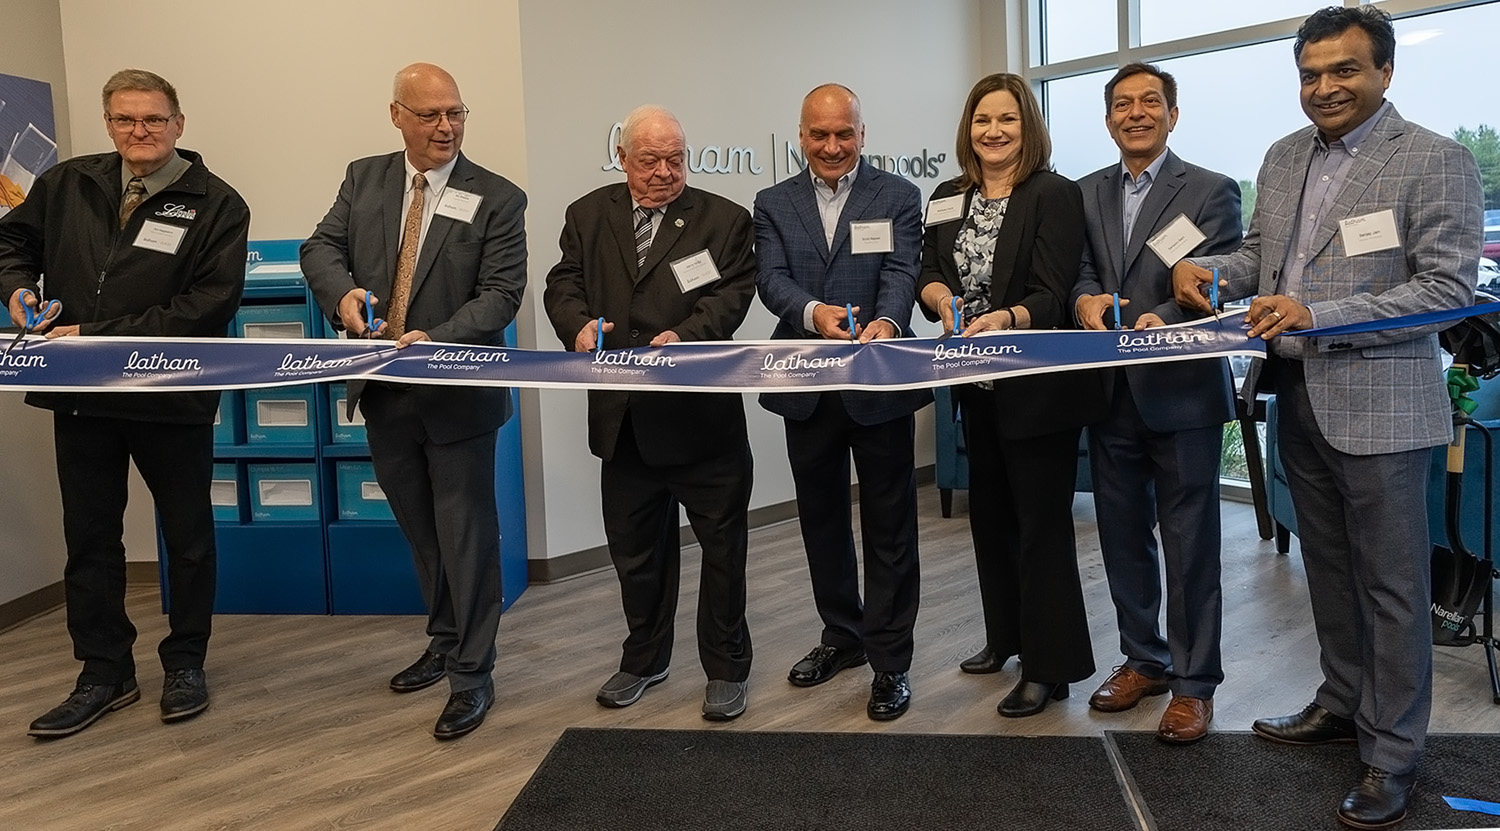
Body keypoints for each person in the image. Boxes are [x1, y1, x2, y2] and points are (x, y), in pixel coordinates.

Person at [1172, 7, 1480, 827]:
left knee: (1394, 588)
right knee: (1331, 572)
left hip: (1383, 405)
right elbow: (1266, 256)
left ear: (1383, 71)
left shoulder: (1434, 159)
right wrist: (1209, 269)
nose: (1324, 87)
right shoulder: (1281, 158)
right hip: (1299, 399)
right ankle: (1342, 702)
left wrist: (1319, 311)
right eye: (1310, 74)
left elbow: (1448, 289)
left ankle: (1391, 753)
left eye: (1343, 70)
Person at [0, 69, 249, 737]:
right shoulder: (67, 183)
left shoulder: (217, 203)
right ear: (109, 123)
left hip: (172, 393)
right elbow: (11, 243)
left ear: (179, 123)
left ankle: (185, 663)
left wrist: (99, 334)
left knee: (188, 539)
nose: (140, 132)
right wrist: (18, 290)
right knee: (89, 539)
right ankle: (103, 671)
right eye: (125, 120)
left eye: (154, 119)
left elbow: (207, 306)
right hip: (82, 394)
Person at [301, 62, 527, 740]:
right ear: (396, 115)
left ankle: (472, 674)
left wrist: (439, 338)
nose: (446, 126)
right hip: (385, 392)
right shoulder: (364, 177)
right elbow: (320, 247)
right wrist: (341, 296)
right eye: (430, 114)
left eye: (456, 113)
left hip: (456, 395)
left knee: (467, 537)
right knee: (423, 534)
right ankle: (444, 638)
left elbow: (501, 293)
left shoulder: (498, 196)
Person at [542, 106, 757, 721]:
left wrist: (686, 337)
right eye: (650, 160)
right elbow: (564, 283)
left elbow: (732, 294)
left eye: (676, 159)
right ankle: (644, 658)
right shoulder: (588, 215)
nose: (665, 172)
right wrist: (576, 325)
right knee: (635, 555)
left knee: (723, 555)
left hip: (701, 425)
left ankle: (726, 669)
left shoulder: (724, 219)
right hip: (624, 423)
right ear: (624, 157)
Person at [916, 73, 1104, 718]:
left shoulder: (1053, 194)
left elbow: (1055, 292)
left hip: (1036, 390)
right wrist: (938, 298)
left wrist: (1009, 318)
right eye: (981, 120)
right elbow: (930, 272)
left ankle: (1052, 668)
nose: (992, 132)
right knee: (990, 518)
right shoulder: (947, 196)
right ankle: (1006, 638)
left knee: (1041, 529)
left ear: (1028, 127)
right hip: (978, 387)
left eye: (1007, 120)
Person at [1070, 63, 1242, 743]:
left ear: (1173, 114)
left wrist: (1168, 313)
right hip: (1108, 393)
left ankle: (1195, 684)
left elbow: (1223, 269)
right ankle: (1145, 658)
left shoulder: (1209, 189)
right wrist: (1083, 298)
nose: (1134, 113)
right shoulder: (1083, 193)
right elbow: (1079, 268)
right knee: (1121, 536)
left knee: (1190, 541)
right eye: (1121, 104)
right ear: (1108, 118)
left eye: (1149, 102)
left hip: (1182, 395)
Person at [754, 84, 929, 721]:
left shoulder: (899, 196)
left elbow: (903, 271)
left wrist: (886, 323)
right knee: (821, 521)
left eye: (844, 134)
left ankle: (891, 662)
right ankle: (842, 635)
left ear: (863, 133)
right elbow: (771, 279)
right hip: (806, 384)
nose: (833, 147)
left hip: (878, 381)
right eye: (820, 135)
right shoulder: (773, 202)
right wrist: (813, 312)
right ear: (801, 135)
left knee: (890, 527)